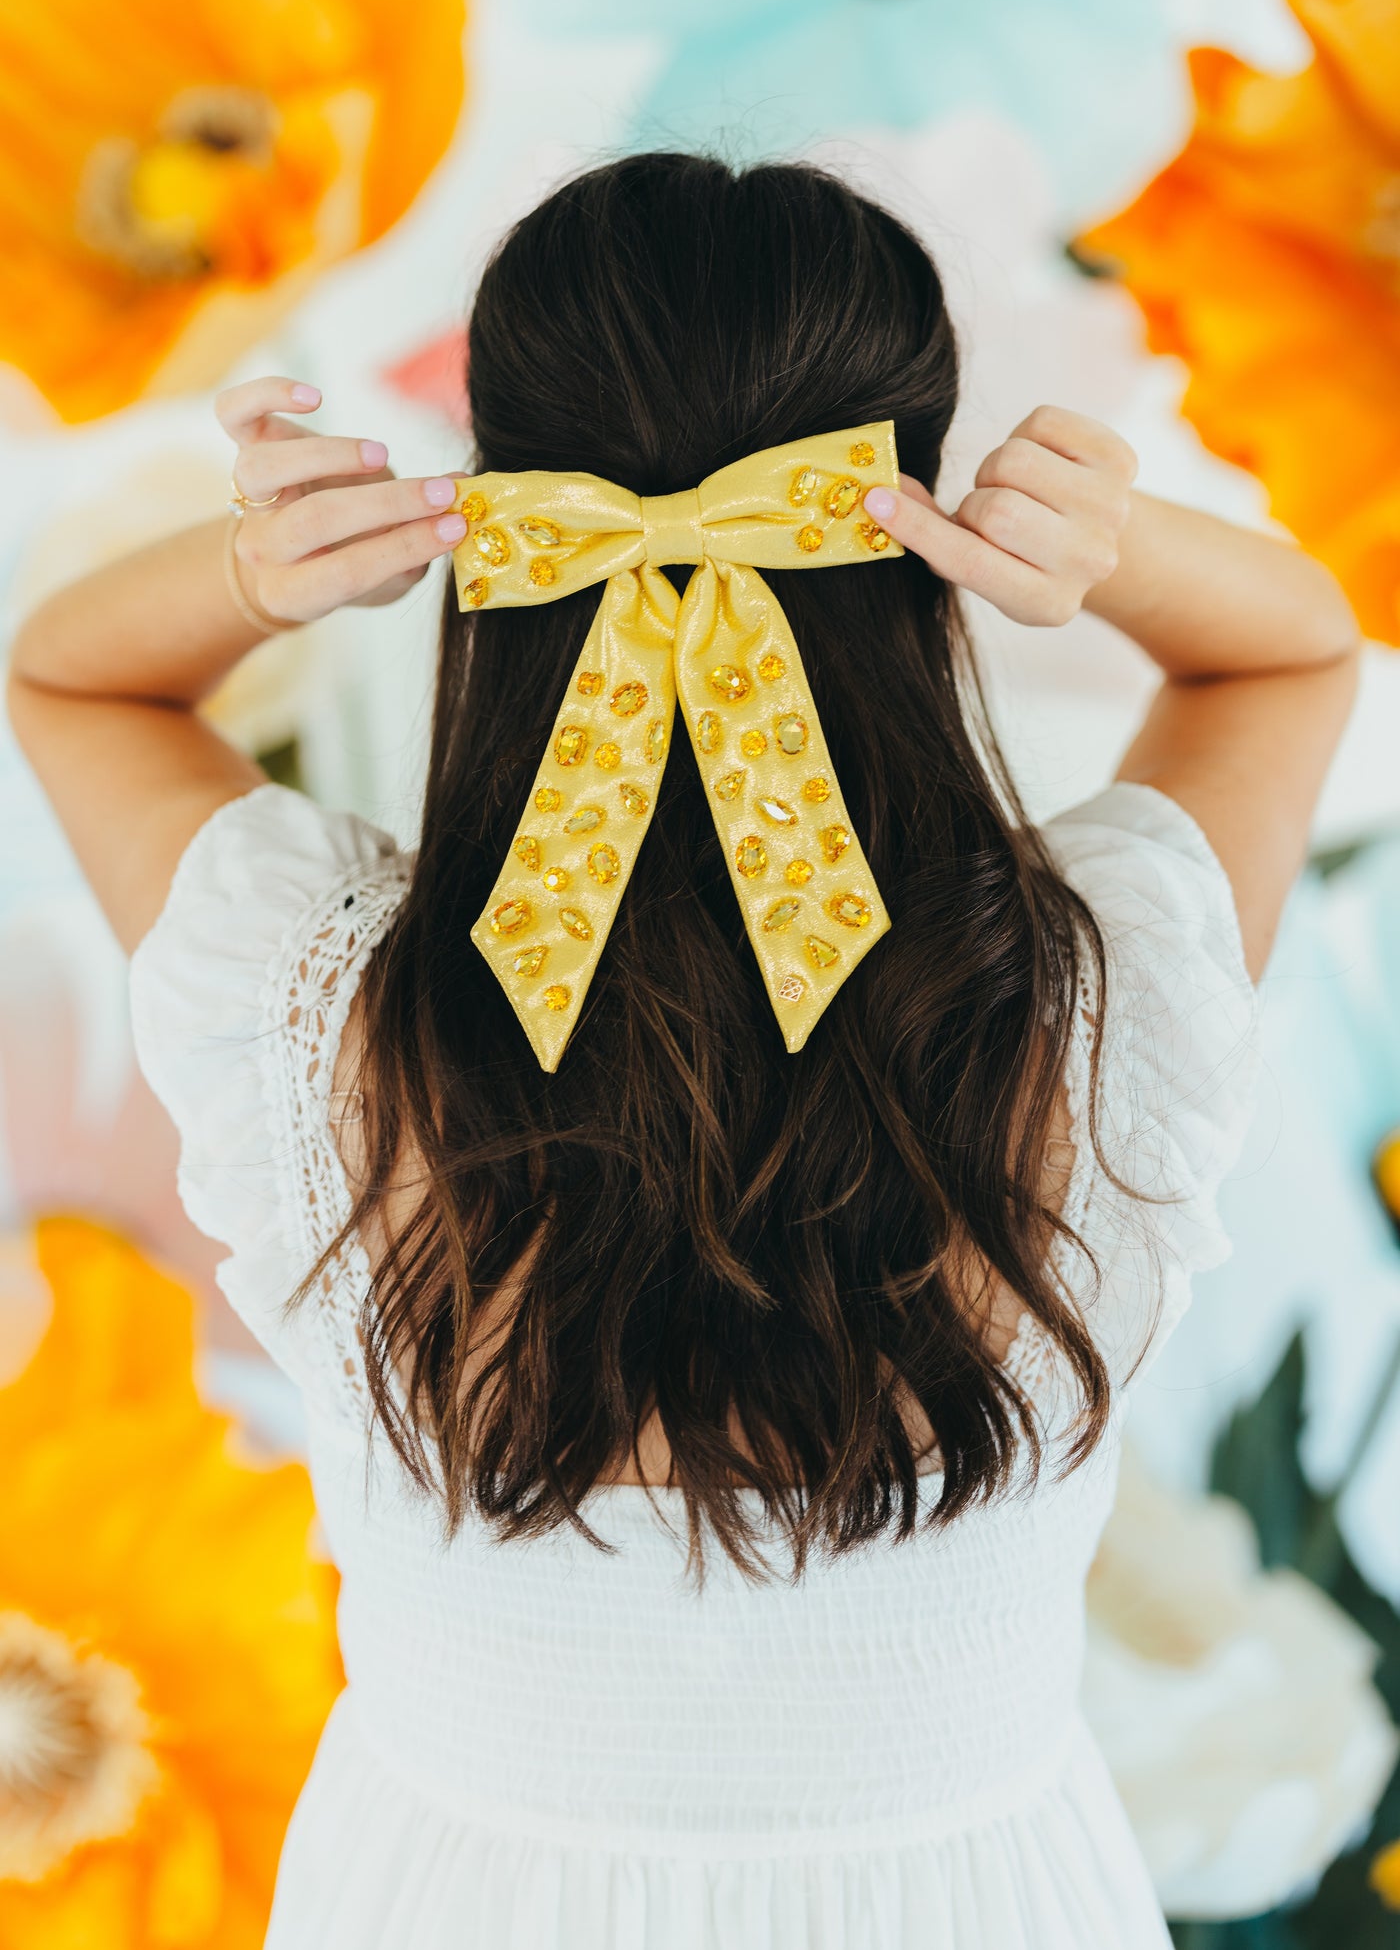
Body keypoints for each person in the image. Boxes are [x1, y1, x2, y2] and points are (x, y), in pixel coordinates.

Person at [8, 153, 1358, 1949]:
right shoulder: (1098, 1014)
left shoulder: (318, 1020)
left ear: (497, 518)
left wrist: (264, 567)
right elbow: (1292, 662)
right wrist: (1123, 547)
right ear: (910, 524)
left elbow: (69, 680)